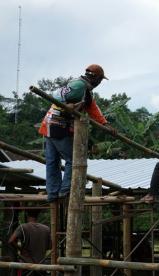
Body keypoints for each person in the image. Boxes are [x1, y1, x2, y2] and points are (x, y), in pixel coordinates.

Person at [38, 64, 115, 202]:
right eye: (100, 80)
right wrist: (66, 103)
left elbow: (93, 109)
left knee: (52, 161)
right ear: (96, 78)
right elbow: (57, 94)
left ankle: (53, 193)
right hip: (58, 124)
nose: (100, 83)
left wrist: (105, 123)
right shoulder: (79, 85)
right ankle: (65, 190)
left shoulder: (86, 90)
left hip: (51, 123)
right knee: (72, 160)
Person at [8, 209, 51, 274]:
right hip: (41, 265)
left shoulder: (23, 227)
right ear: (37, 216)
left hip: (26, 264)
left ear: (27, 216)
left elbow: (11, 241)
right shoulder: (46, 228)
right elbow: (50, 246)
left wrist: (20, 248)